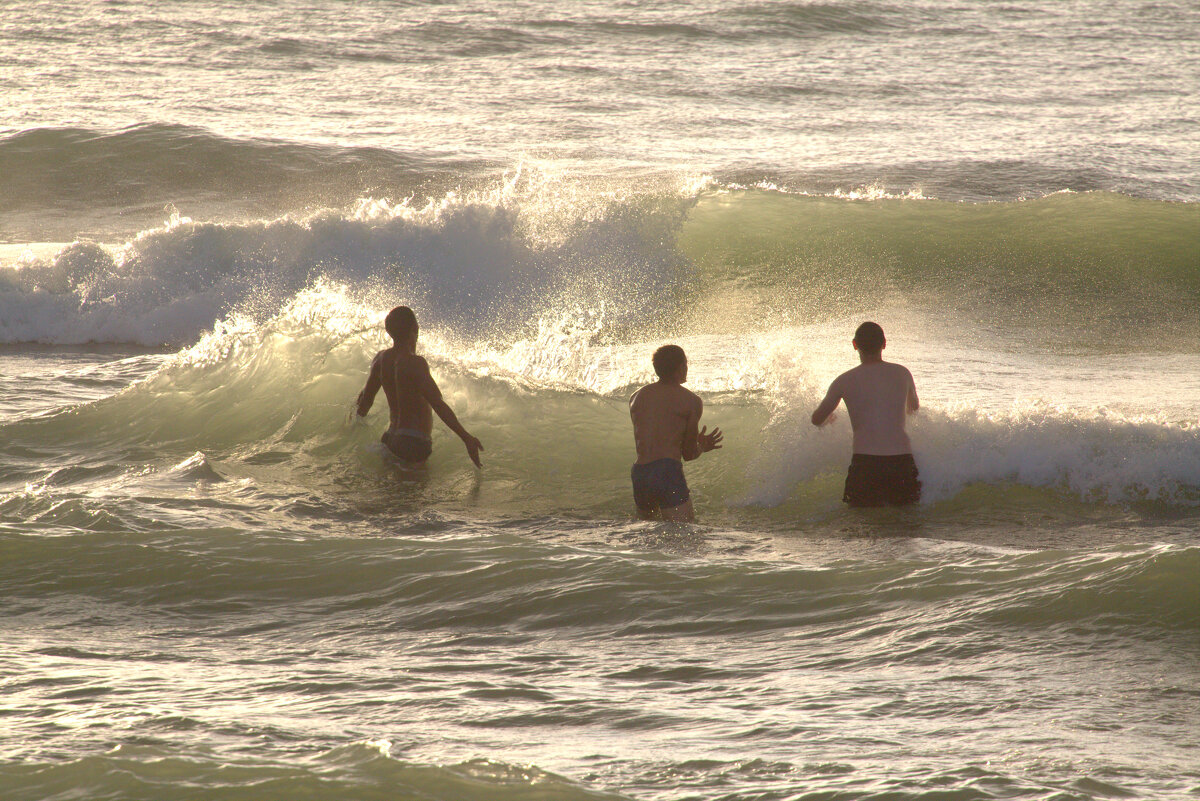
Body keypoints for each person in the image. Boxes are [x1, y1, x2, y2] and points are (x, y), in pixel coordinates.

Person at [356, 306, 482, 468]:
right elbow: (437, 403)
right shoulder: (415, 363)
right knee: (413, 492)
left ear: (389, 331)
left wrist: (350, 427)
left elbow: (365, 402)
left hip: (390, 439)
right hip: (413, 443)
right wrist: (467, 438)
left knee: (391, 491)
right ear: (415, 328)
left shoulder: (381, 359)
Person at [810, 322, 921, 506]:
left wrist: (828, 420)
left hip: (865, 464)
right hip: (901, 462)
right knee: (905, 525)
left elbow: (816, 419)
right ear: (884, 343)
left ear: (855, 345)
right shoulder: (902, 373)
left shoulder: (844, 380)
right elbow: (914, 409)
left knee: (860, 526)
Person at [628, 345, 723, 522]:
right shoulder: (691, 401)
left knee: (646, 531)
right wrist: (701, 446)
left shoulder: (636, 397)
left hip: (640, 473)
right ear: (681, 368)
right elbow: (688, 454)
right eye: (686, 364)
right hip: (666, 471)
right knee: (684, 534)